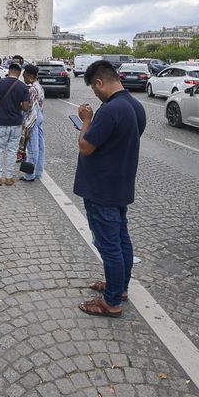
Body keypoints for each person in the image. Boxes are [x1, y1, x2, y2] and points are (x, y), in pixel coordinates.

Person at [74, 60, 146, 318]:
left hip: (101, 188)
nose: (95, 94)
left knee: (109, 246)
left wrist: (86, 120)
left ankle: (111, 302)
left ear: (100, 82)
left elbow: (86, 146)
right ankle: (119, 287)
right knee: (121, 240)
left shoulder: (109, 110)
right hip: (121, 184)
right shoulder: (136, 107)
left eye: (94, 89)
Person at [0, 62, 31, 186]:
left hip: (2, 121)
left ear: (9, 71)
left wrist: (1, 103)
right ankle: (9, 177)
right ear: (20, 72)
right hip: (16, 122)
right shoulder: (23, 87)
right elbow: (26, 108)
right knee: (12, 150)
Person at [20, 64, 45, 182]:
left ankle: (29, 175)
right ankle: (38, 172)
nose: (23, 77)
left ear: (30, 76)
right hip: (39, 117)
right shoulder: (39, 87)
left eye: (24, 74)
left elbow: (33, 110)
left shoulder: (32, 89)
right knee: (40, 147)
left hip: (33, 119)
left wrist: (28, 127)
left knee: (32, 148)